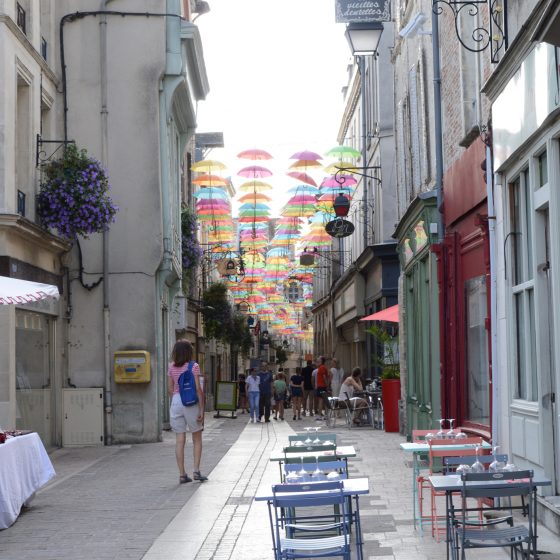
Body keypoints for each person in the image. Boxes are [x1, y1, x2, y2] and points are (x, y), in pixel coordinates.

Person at [167, 339, 207, 483]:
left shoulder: (171, 367)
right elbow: (198, 389)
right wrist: (201, 410)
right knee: (196, 438)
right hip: (190, 401)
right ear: (189, 352)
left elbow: (170, 390)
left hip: (176, 401)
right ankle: (196, 471)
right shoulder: (193, 366)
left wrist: (177, 399)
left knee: (179, 439)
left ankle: (182, 474)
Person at [314, 356, 331, 420]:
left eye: (319, 360)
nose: (317, 361)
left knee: (321, 401)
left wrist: (327, 386)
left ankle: (320, 415)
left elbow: (324, 377)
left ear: (321, 361)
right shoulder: (322, 367)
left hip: (321, 386)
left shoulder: (322, 368)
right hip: (322, 386)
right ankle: (325, 415)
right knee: (324, 401)